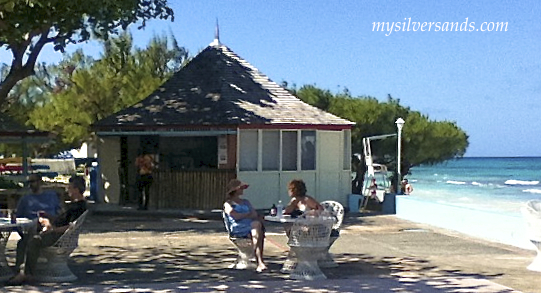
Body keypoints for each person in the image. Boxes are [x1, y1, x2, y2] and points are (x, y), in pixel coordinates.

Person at [6, 175, 87, 286]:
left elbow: (71, 226)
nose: (67, 190)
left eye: (69, 187)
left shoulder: (79, 207)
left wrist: (52, 229)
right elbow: (61, 219)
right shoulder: (73, 205)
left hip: (59, 236)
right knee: (24, 241)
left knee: (34, 241)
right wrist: (47, 216)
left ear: (76, 189)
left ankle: (27, 274)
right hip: (54, 230)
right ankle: (21, 271)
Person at [14, 173, 61, 273]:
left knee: (32, 240)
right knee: (22, 242)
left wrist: (48, 217)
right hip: (31, 228)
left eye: (32, 181)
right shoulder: (25, 199)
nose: (30, 184)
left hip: (50, 231)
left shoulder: (51, 196)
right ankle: (19, 271)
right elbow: (18, 218)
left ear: (40, 182)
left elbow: (60, 215)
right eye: (29, 182)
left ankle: (26, 273)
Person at [223, 179, 267, 272]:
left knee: (257, 226)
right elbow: (235, 216)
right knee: (257, 227)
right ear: (235, 190)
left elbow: (254, 214)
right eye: (241, 188)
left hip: (251, 226)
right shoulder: (228, 204)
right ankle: (259, 261)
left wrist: (246, 215)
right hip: (238, 228)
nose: (242, 190)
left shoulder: (246, 201)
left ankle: (259, 261)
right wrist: (247, 214)